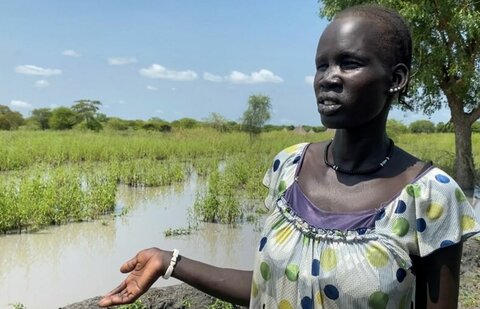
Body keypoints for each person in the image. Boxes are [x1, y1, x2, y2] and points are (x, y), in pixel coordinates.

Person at [98, 4, 480, 308]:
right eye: (321, 65)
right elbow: (271, 285)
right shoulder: (289, 167)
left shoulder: (429, 197)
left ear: (396, 79)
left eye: (349, 63)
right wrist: (170, 261)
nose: (328, 78)